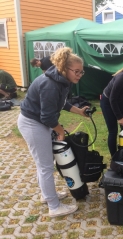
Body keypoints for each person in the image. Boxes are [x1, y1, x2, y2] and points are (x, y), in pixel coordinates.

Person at [17, 47, 88, 218]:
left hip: (40, 122)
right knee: (46, 166)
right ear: (65, 68)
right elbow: (48, 117)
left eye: (81, 72)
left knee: (43, 165)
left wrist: (79, 111)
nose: (79, 75)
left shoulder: (62, 80)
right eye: (76, 71)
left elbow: (61, 102)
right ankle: (54, 206)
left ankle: (46, 195)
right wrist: (60, 130)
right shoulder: (50, 84)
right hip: (32, 123)